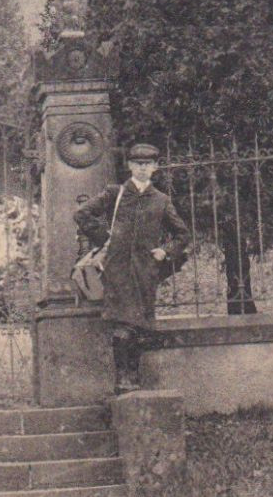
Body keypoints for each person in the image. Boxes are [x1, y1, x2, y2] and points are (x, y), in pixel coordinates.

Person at [73, 143, 189, 392]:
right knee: (121, 324)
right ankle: (122, 379)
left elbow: (182, 234)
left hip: (146, 272)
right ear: (129, 166)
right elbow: (82, 214)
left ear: (156, 167)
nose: (143, 168)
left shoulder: (161, 200)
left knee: (139, 326)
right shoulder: (115, 193)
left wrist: (165, 252)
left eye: (148, 164)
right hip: (117, 270)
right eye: (138, 163)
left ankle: (133, 378)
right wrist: (106, 238)